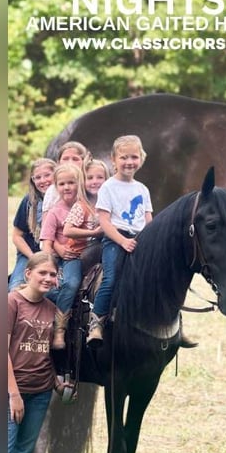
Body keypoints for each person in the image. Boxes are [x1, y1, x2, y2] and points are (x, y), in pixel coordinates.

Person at [8, 253, 72, 453]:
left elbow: (46, 354)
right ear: (28, 273)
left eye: (53, 274)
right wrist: (13, 394)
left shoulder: (51, 309)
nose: (48, 278)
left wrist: (58, 384)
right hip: (11, 394)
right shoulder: (11, 303)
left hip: (40, 393)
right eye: (42, 273)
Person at [87, 135, 153, 345]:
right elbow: (104, 221)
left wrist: (149, 241)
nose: (129, 162)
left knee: (153, 278)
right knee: (111, 277)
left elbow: (148, 219)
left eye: (134, 156)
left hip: (139, 239)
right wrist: (122, 241)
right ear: (113, 160)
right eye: (123, 157)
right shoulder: (108, 187)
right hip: (115, 239)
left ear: (141, 159)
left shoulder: (142, 189)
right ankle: (96, 322)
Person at [39, 163, 85, 349]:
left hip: (84, 256)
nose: (67, 187)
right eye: (62, 184)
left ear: (79, 183)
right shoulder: (55, 212)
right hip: (62, 259)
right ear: (56, 187)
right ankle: (60, 328)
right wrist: (52, 269)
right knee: (69, 284)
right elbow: (47, 245)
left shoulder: (86, 208)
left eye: (72, 183)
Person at [8, 158, 56, 291]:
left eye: (47, 175)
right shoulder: (29, 201)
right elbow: (17, 236)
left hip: (55, 255)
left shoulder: (63, 199)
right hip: (30, 254)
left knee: (52, 291)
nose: (43, 180)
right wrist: (33, 258)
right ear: (33, 181)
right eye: (37, 177)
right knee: (16, 288)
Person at [41, 141, 90, 220]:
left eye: (75, 159)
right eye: (65, 159)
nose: (70, 162)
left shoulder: (90, 187)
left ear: (84, 162)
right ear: (58, 163)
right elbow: (46, 223)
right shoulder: (53, 190)